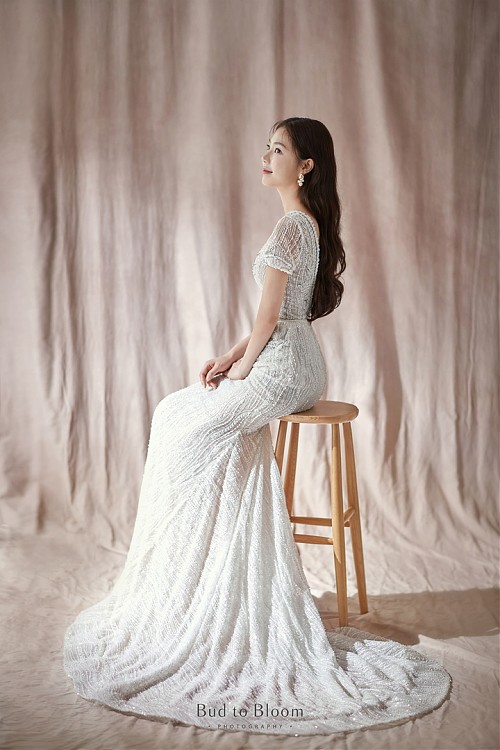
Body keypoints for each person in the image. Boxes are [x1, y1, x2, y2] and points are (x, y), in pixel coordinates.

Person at [63, 117, 450, 736]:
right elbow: (273, 316)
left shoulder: (292, 225)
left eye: (279, 150)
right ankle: (215, 573)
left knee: (176, 418)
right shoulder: (306, 223)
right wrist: (230, 356)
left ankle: (191, 586)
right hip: (293, 361)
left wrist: (240, 372)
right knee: (191, 418)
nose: (265, 157)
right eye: (267, 147)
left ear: (305, 166)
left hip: (282, 368)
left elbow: (270, 319)